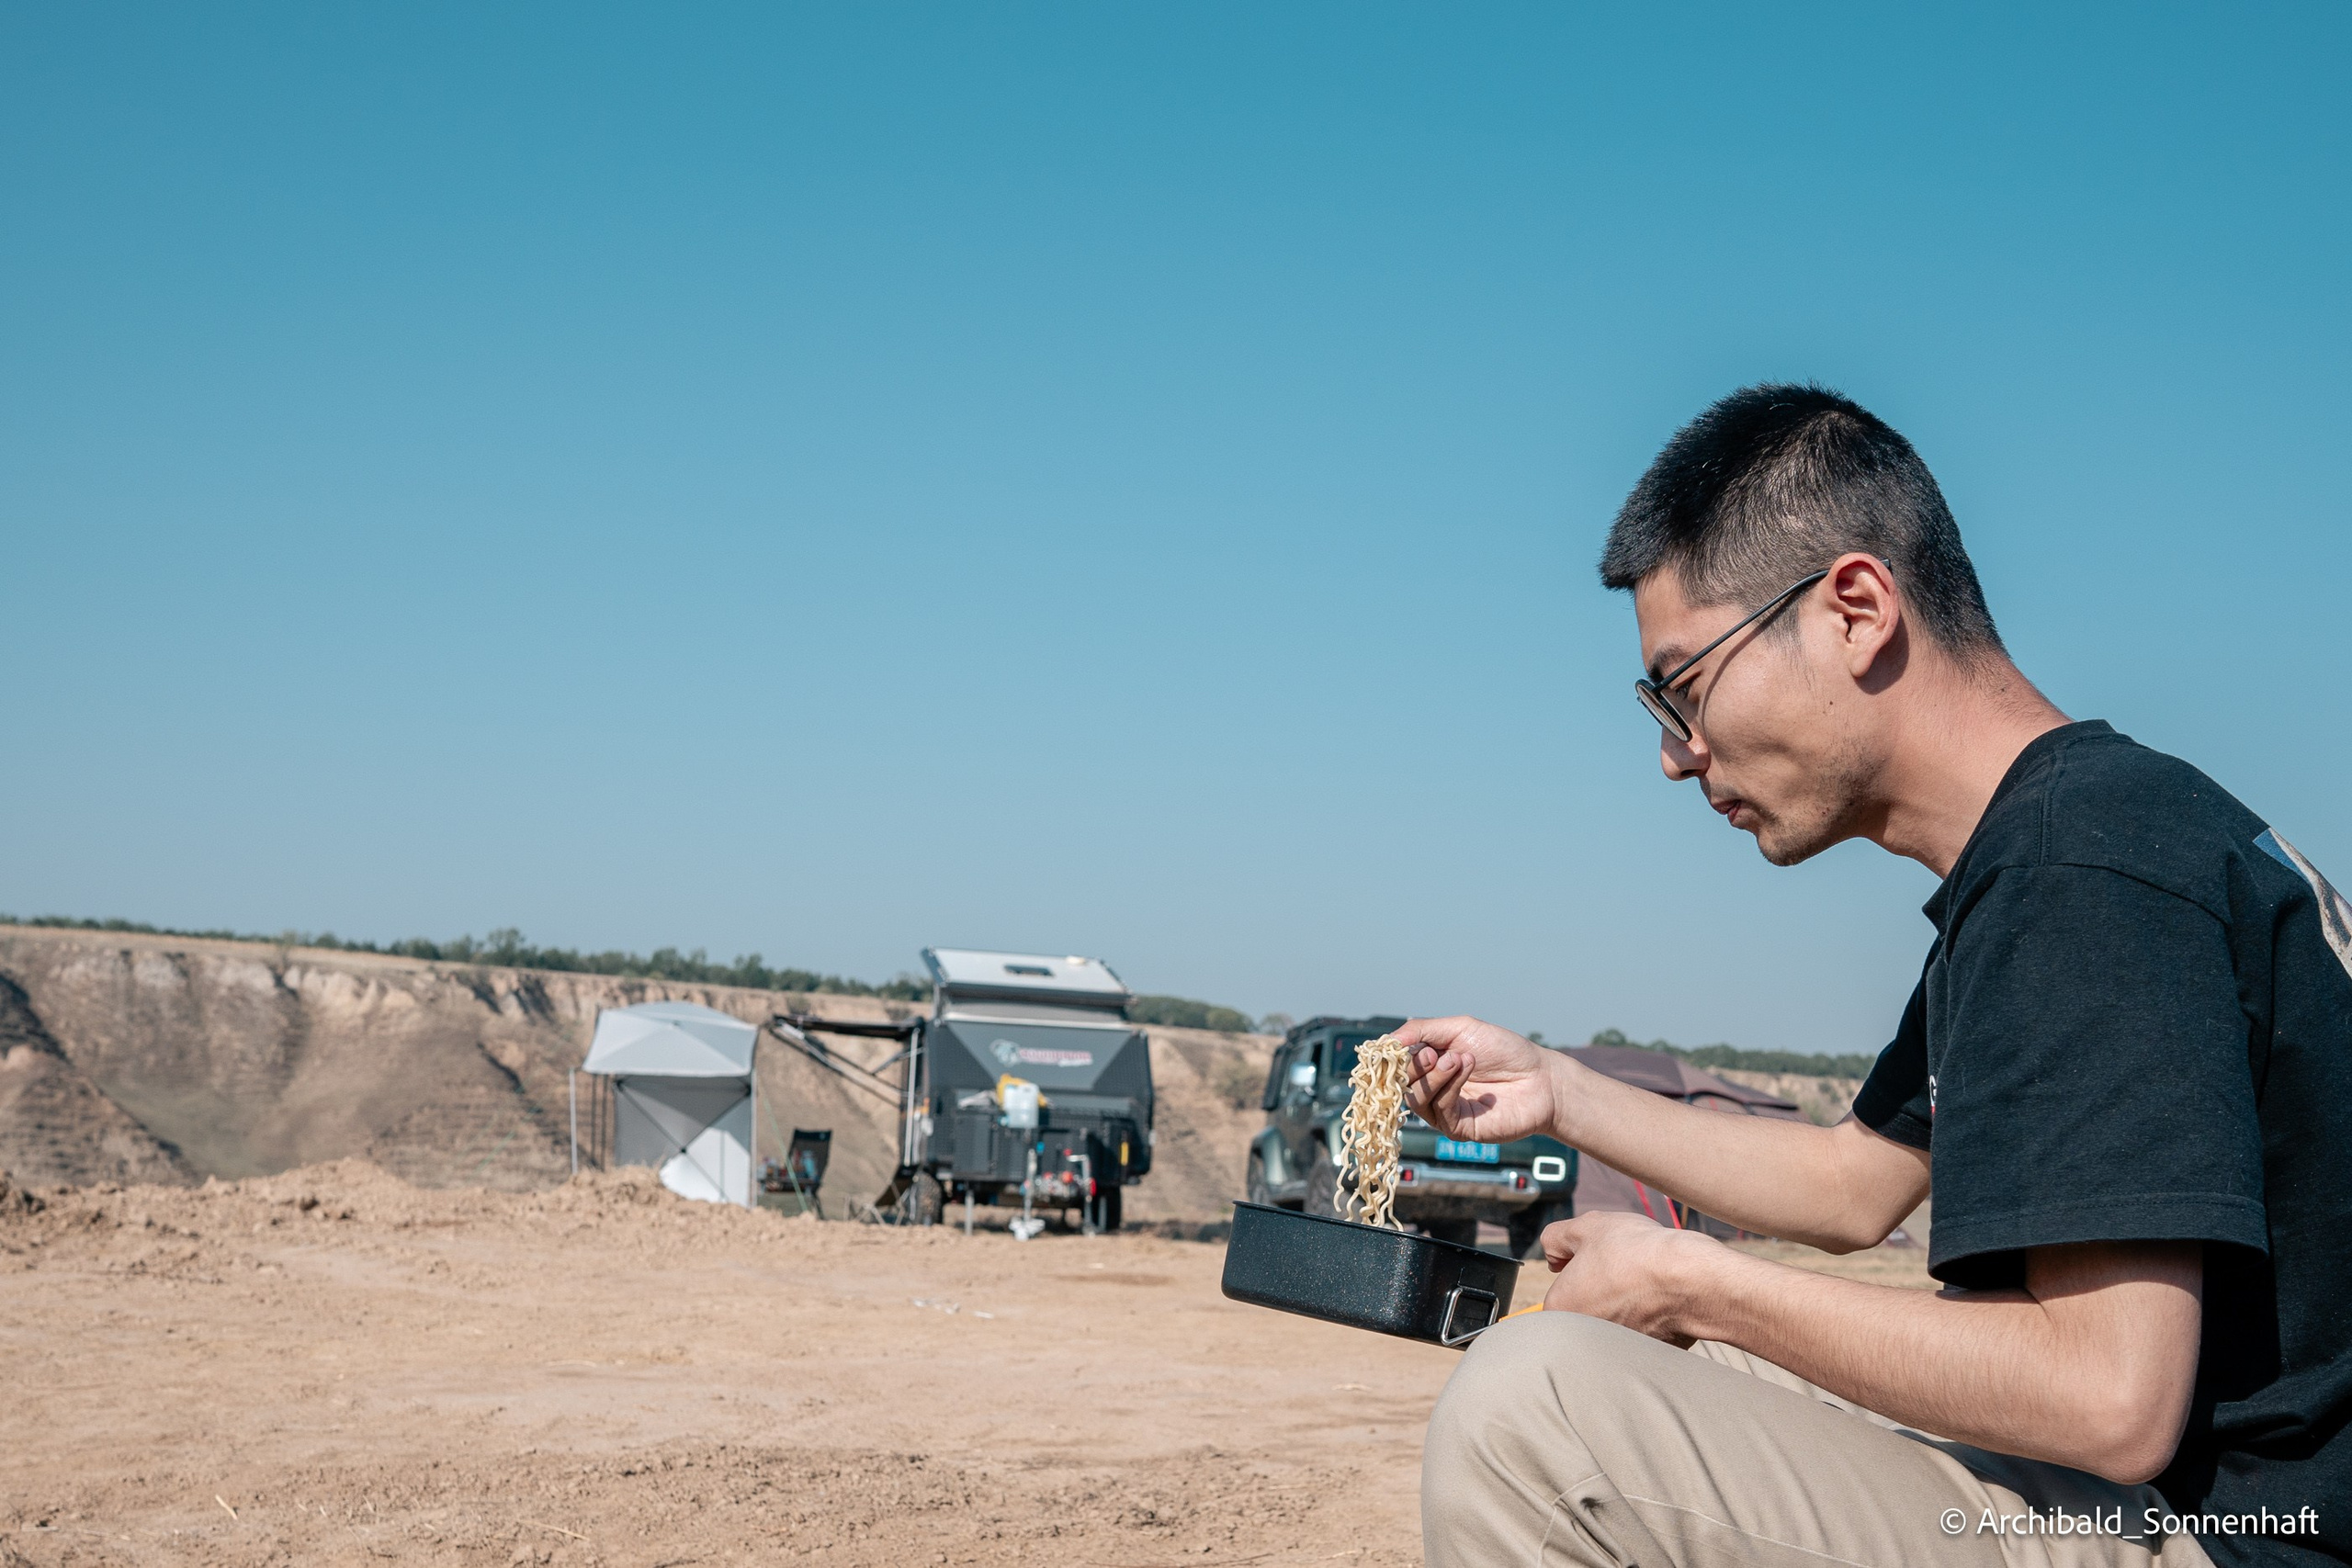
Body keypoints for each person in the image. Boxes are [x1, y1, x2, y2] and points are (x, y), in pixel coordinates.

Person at [1405, 385, 2347, 1568]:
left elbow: (2109, 1398)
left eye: (1684, 688)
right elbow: (1853, 1186)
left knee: (1530, 1414)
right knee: (1622, 1358)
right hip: (2183, 1507)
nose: (1676, 756)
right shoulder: (2077, 839)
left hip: (2240, 1538)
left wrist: (1692, 1283)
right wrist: (1555, 1087)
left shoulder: (2079, 872)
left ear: (1854, 610)